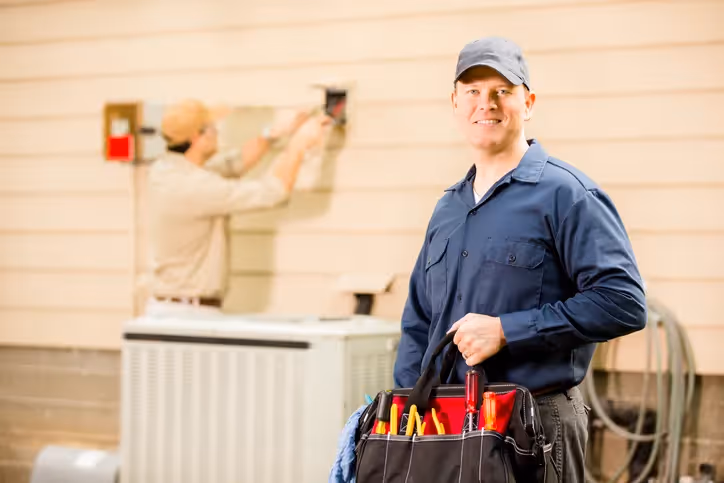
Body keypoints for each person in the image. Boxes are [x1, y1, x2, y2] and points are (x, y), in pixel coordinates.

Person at [392, 37, 647, 481]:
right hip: (445, 424)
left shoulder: (567, 194)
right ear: (455, 102)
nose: (485, 104)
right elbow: (419, 321)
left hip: (535, 425)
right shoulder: (448, 208)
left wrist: (507, 330)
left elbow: (622, 302)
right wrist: (405, 410)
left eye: (501, 91)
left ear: (527, 102)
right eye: (472, 91)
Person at [145, 99, 331, 317]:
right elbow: (273, 192)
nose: (217, 133)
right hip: (187, 314)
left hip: (175, 308)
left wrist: (273, 134)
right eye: (213, 128)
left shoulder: (167, 171)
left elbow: (234, 163)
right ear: (198, 137)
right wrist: (298, 145)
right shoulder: (195, 188)